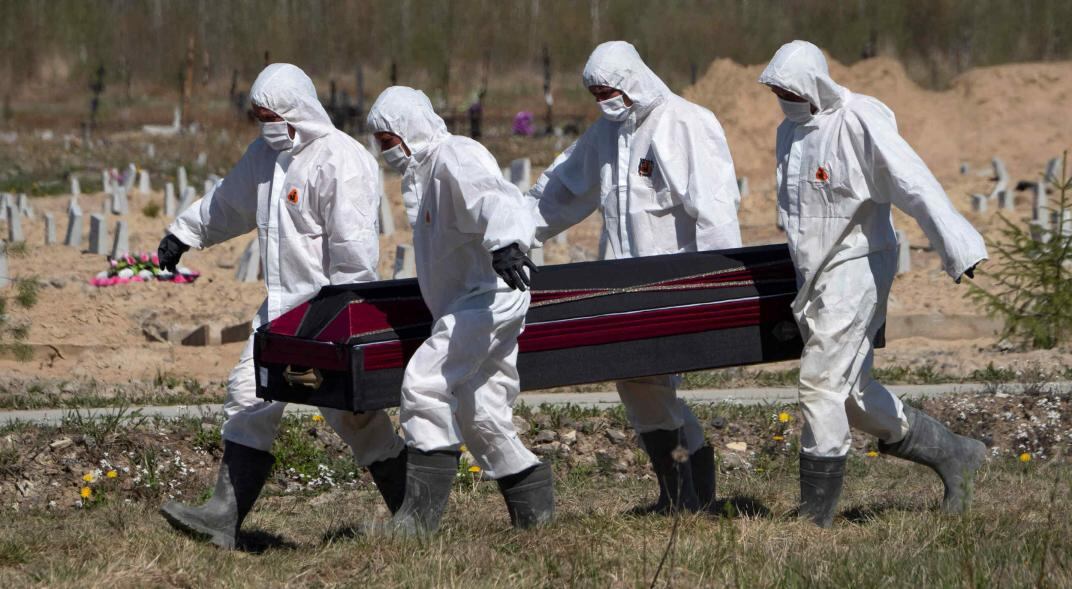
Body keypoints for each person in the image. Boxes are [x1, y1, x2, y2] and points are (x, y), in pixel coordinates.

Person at [156, 64, 406, 548]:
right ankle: (222, 518)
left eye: (270, 114)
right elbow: (228, 203)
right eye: (257, 116)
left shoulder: (343, 161)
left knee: (355, 419)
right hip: (280, 315)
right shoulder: (265, 156)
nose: (264, 124)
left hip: (329, 313)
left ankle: (417, 509)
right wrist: (183, 233)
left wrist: (348, 324)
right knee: (248, 395)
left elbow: (354, 255)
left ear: (297, 111)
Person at [758, 40, 988, 527]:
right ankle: (954, 454)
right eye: (775, 89)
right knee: (851, 396)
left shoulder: (860, 120)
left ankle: (814, 522)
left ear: (812, 84)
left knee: (819, 385)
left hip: (858, 267)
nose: (782, 96)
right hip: (813, 276)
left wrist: (958, 246)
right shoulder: (788, 132)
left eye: (788, 88)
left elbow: (914, 181)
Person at [525, 41, 741, 513]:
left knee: (650, 384)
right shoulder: (607, 135)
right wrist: (510, 231)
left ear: (632, 80)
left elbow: (716, 214)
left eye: (610, 90)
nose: (604, 100)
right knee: (639, 385)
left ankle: (690, 495)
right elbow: (560, 191)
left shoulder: (686, 123)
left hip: (677, 288)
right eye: (596, 93)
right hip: (625, 291)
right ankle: (684, 494)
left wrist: (722, 297)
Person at [365, 86, 553, 535]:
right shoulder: (424, 172)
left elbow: (496, 197)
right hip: (473, 302)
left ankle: (419, 521)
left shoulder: (455, 156)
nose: (386, 152)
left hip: (486, 297)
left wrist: (507, 242)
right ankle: (535, 510)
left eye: (390, 141)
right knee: (481, 414)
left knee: (426, 383)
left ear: (409, 130)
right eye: (382, 144)